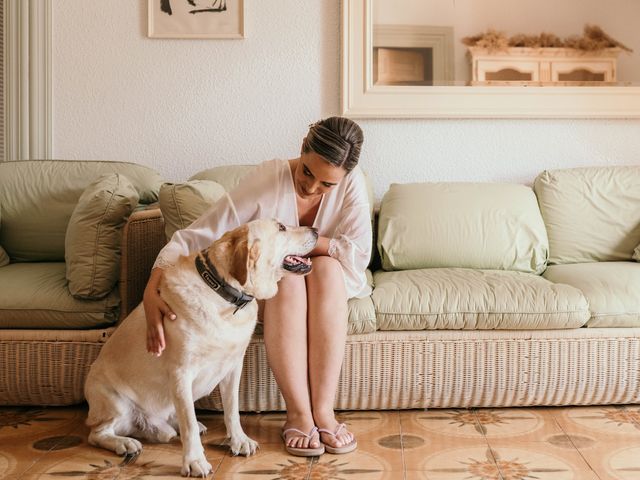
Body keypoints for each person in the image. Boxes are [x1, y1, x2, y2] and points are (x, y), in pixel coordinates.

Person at [143, 116, 371, 456]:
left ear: (344, 178)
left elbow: (355, 257)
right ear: (302, 149)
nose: (311, 188)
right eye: (307, 172)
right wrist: (151, 289)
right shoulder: (268, 178)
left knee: (326, 269)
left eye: (327, 184)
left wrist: (305, 246)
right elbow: (200, 235)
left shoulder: (351, 185)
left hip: (330, 284)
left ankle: (324, 412)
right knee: (288, 279)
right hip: (277, 288)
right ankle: (298, 413)